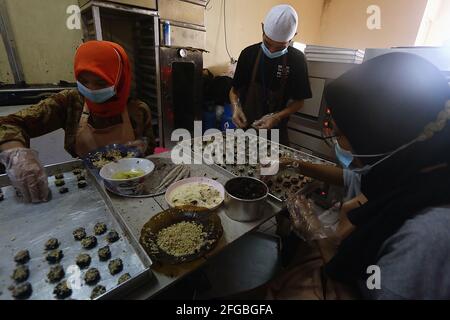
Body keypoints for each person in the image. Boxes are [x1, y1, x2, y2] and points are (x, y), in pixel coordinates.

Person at [240, 52, 450, 300]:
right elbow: (353, 177)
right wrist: (293, 163)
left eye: (341, 133)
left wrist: (322, 240)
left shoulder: (425, 238)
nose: (342, 146)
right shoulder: (416, 168)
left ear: (378, 136)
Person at [0, 41, 156, 203]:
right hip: (87, 187)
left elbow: (149, 151)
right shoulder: (70, 103)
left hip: (129, 186)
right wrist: (16, 154)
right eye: (83, 81)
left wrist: (142, 147)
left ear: (120, 80)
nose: (91, 89)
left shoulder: (137, 110)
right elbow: (8, 123)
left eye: (101, 83)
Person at [229, 4, 312, 144]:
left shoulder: (297, 60)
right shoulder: (248, 54)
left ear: (293, 37)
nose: (272, 50)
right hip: (245, 129)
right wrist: (236, 108)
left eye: (280, 47)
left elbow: (299, 102)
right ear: (262, 28)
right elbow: (234, 91)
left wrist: (277, 117)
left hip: (277, 135)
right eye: (267, 44)